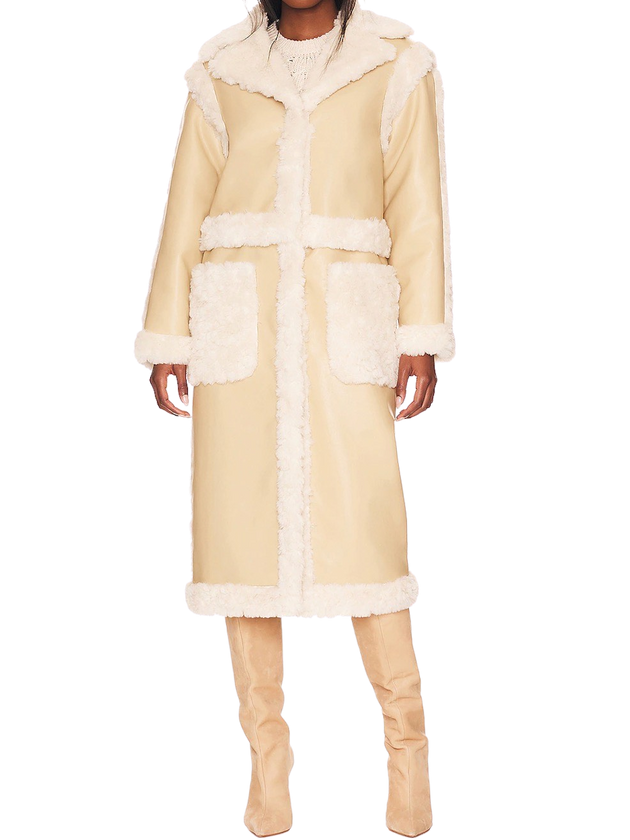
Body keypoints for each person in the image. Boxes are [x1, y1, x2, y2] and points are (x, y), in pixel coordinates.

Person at [131, 1, 457, 837]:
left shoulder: (398, 63)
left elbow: (421, 208)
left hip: (346, 324)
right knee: (241, 548)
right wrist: (169, 335)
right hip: (238, 326)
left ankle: (408, 755)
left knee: (371, 542)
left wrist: (420, 334)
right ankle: (267, 764)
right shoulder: (219, 70)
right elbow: (183, 208)